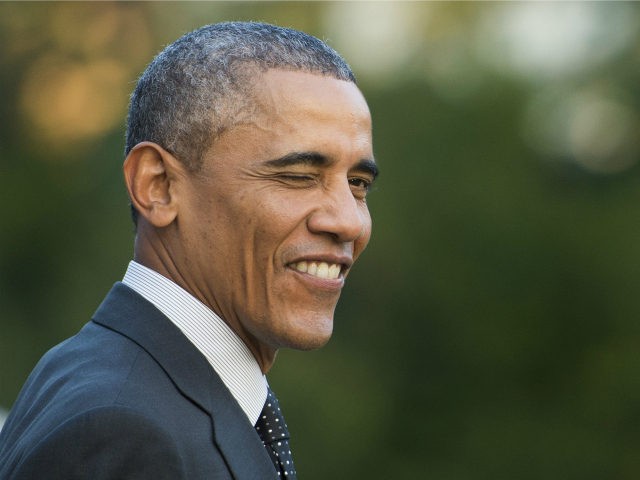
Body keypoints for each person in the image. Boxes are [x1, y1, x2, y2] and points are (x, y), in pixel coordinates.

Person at [0, 21, 377, 480]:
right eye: (297, 176)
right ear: (157, 186)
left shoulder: (115, 380)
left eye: (358, 185)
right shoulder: (124, 431)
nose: (349, 221)